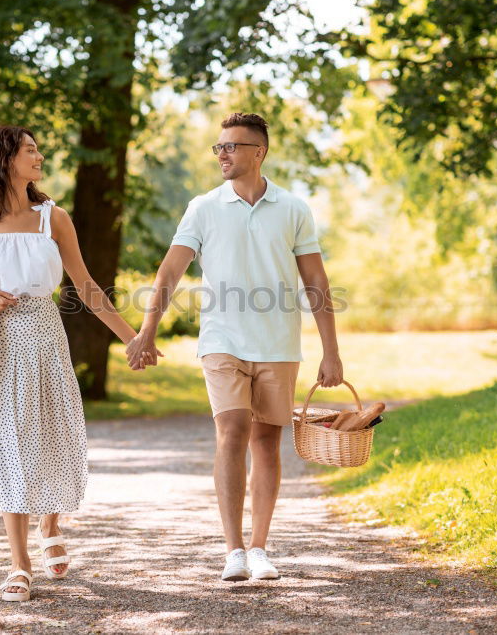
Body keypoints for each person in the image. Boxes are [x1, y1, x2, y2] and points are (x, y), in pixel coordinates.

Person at [127, 112, 344, 581]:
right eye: (219, 146)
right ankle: (233, 551)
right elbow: (169, 273)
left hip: (278, 344)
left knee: (267, 442)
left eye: (233, 146)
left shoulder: (293, 208)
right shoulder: (203, 207)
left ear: (259, 152)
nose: (223, 153)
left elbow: (316, 282)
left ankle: (260, 547)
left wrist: (331, 351)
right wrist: (147, 330)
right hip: (221, 340)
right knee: (231, 433)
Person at [0, 124, 157, 602]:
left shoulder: (52, 218)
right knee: (12, 446)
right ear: (5, 160)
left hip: (46, 335)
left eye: (38, 150)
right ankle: (19, 564)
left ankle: (51, 520)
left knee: (53, 433)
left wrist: (134, 339)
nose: (39, 157)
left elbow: (85, 286)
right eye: (30, 151)